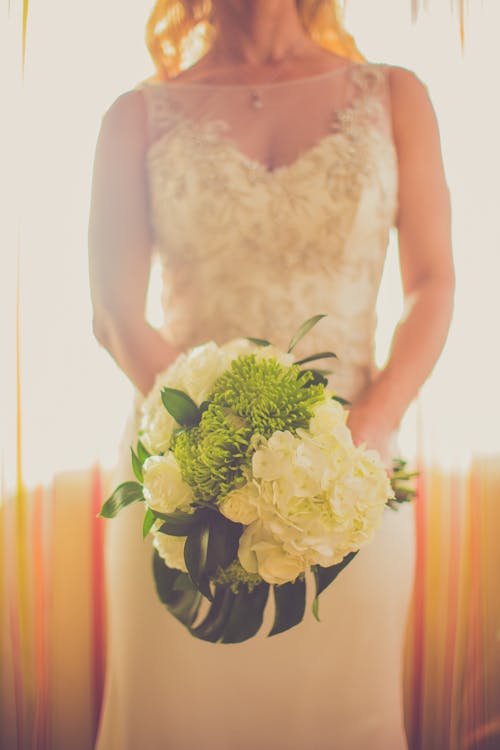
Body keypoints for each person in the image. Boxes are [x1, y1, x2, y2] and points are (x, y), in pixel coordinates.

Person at [88, 1, 454, 748]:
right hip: (186, 480)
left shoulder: (396, 96)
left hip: (352, 470)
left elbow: (433, 284)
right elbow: (115, 316)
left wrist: (373, 423)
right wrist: (216, 442)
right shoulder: (134, 117)